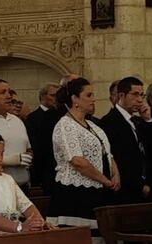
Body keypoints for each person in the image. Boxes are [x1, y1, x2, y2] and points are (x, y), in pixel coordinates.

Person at [49, 77, 117, 228]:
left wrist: (115, 173)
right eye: (89, 95)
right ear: (75, 99)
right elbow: (77, 161)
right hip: (76, 193)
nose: (94, 99)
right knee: (81, 243)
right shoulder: (65, 125)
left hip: (97, 190)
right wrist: (105, 180)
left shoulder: (93, 125)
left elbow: (107, 152)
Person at [99, 76, 151, 202]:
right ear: (121, 95)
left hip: (145, 187)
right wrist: (139, 186)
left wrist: (148, 120)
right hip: (125, 190)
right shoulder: (108, 122)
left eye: (142, 95)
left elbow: (148, 150)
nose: (140, 100)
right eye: (135, 94)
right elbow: (118, 158)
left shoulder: (138, 121)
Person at [0, 79, 33, 184]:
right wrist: (12, 160)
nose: (9, 96)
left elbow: (28, 148)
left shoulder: (17, 120)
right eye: (3, 92)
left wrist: (29, 156)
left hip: (22, 183)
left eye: (9, 92)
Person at [26, 82, 62, 190]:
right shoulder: (32, 118)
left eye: (57, 96)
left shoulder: (60, 116)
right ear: (42, 96)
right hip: (41, 166)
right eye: (52, 95)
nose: (55, 98)